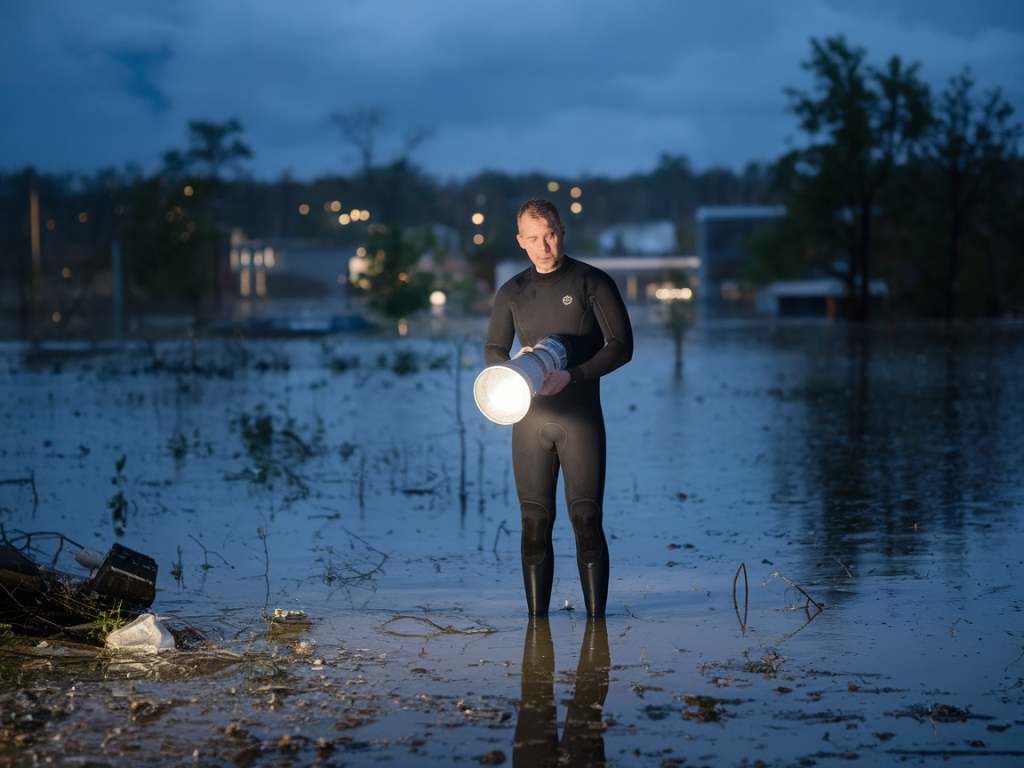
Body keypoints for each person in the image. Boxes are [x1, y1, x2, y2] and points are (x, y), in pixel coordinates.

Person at [484, 198, 633, 618]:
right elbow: (493, 348)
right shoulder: (512, 292)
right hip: (529, 421)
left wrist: (574, 375)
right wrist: (514, 366)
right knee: (533, 523)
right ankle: (537, 629)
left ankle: (596, 632)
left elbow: (622, 346)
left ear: (562, 231)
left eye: (549, 234)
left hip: (580, 418)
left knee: (586, 520)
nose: (543, 246)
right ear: (521, 242)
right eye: (533, 238)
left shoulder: (592, 282)